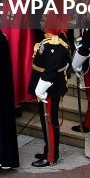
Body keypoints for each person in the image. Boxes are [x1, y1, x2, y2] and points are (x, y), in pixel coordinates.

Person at [29, 27, 70, 168]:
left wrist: (40, 90)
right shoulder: (49, 39)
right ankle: (48, 150)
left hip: (48, 89)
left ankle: (51, 156)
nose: (42, 22)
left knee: (49, 123)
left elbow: (51, 70)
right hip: (45, 87)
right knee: (44, 121)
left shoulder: (55, 45)